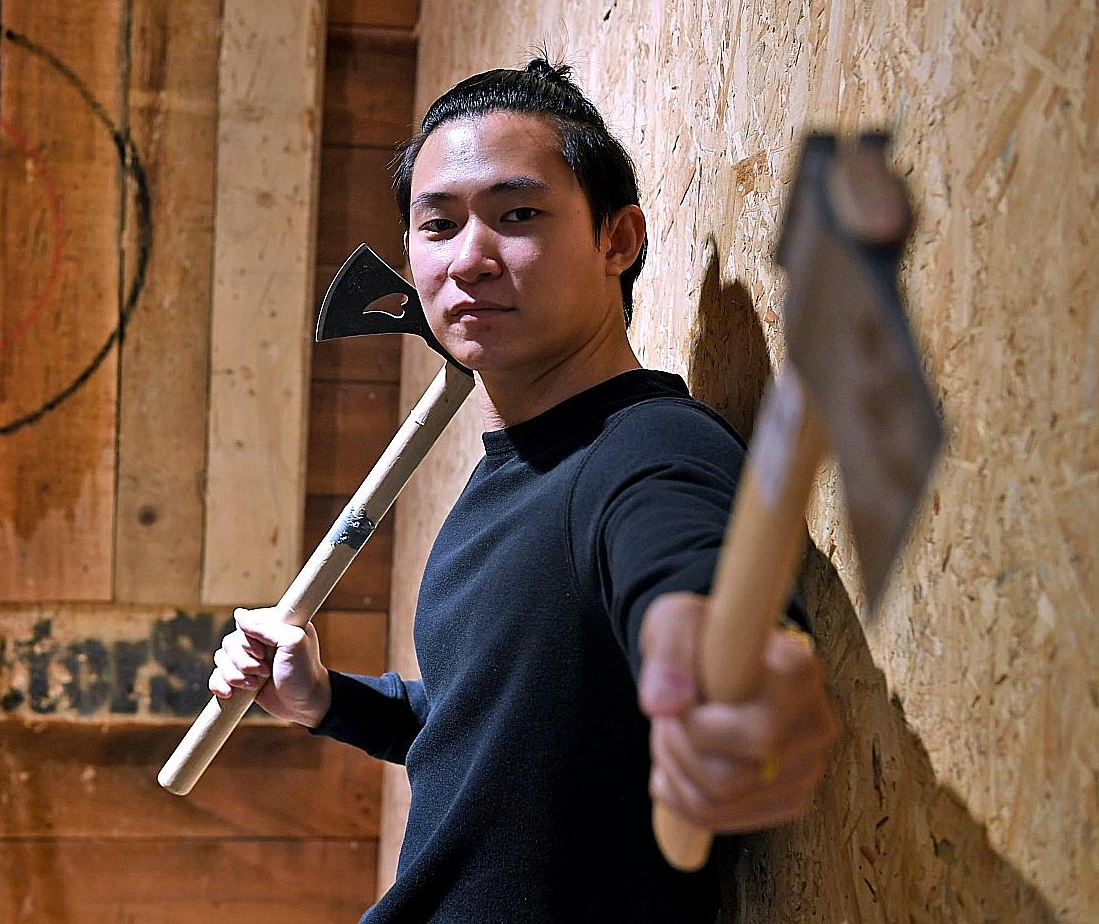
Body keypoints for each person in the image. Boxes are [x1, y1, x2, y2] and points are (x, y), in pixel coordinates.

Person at [208, 57, 840, 922]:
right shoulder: (518, 470)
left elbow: (699, 602)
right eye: (437, 226)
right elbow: (506, 719)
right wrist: (326, 699)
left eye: (519, 215)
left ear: (618, 239)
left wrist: (721, 666)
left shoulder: (647, 451)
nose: (470, 259)